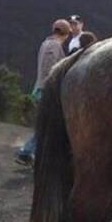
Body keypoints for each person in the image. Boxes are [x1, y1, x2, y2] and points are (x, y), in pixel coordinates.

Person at [14, 19, 70, 167]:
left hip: (39, 88)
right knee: (48, 126)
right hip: (46, 91)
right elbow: (49, 68)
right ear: (65, 34)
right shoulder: (55, 46)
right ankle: (26, 152)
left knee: (48, 126)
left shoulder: (45, 43)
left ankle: (36, 156)